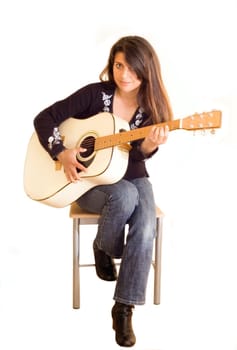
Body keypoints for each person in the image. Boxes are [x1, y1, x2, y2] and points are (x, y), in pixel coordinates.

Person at [34, 35, 173, 347]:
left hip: (134, 177)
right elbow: (45, 118)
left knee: (145, 221)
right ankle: (105, 246)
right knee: (124, 197)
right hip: (87, 180)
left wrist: (149, 143)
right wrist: (61, 153)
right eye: (119, 65)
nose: (124, 74)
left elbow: (136, 156)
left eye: (132, 69)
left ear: (146, 70)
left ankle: (124, 307)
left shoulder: (152, 109)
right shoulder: (96, 95)